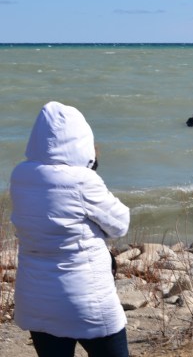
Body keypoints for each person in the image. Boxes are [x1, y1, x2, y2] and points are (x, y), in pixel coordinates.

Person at [10, 101, 130, 357]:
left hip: (36, 300)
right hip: (86, 301)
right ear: (81, 140)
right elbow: (120, 224)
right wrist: (92, 169)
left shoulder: (19, 176)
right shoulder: (83, 181)